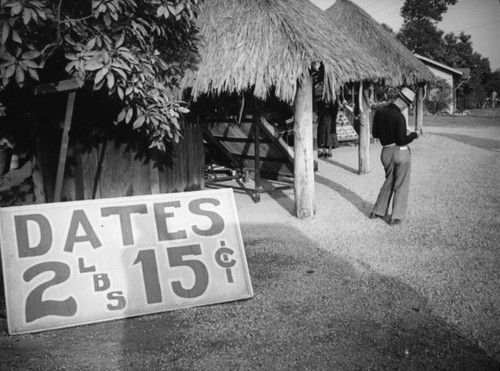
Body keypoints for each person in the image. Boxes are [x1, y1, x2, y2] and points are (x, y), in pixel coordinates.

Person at [370, 87, 419, 226]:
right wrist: (414, 135)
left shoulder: (379, 113)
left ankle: (378, 211)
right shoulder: (399, 117)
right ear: (405, 104)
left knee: (389, 181)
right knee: (401, 183)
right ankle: (396, 217)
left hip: (385, 152)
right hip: (400, 152)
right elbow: (401, 140)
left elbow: (375, 135)